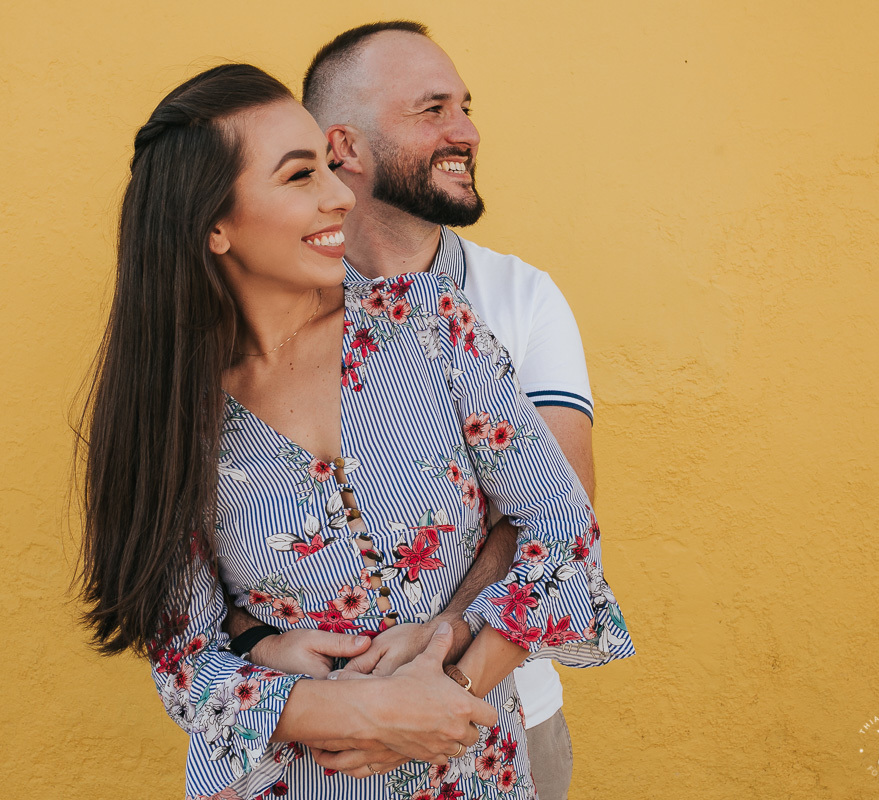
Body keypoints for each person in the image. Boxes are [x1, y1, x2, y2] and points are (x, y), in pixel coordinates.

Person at [78, 63, 633, 800]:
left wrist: (454, 677)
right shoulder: (173, 413)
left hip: (473, 772)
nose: (340, 194)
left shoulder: (432, 327)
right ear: (213, 224)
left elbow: (565, 529)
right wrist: (360, 710)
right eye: (300, 175)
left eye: (328, 167)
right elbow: (185, 659)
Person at [224, 22, 598, 799]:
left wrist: (442, 675)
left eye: (465, 106)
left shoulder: (512, 300)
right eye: (433, 110)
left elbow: (559, 513)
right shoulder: (223, 361)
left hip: (500, 717)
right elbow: (191, 607)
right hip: (307, 758)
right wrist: (313, 683)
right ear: (344, 147)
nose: (468, 131)